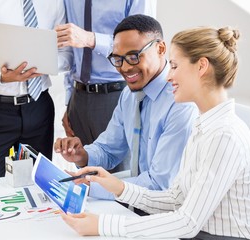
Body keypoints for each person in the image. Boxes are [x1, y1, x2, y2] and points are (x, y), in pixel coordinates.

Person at [58, 26, 250, 239]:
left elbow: (187, 222)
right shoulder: (205, 126)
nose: (169, 76)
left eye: (174, 66)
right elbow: (177, 199)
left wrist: (104, 225)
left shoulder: (224, 135)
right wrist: (117, 187)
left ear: (201, 66)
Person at [54, 15, 198, 200]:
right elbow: (109, 149)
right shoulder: (129, 95)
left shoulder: (181, 101)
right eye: (118, 59)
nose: (125, 68)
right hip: (139, 200)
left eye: (133, 56)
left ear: (160, 49)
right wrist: (82, 155)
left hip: (168, 209)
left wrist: (91, 188)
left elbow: (160, 184)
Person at [0, 0, 71, 180]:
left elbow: (67, 54)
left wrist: (45, 64)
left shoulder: (55, 2)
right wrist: (1, 75)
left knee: (38, 189)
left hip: (39, 107)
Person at [55, 1, 157, 153]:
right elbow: (71, 50)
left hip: (117, 96)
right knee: (84, 173)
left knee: (120, 173)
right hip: (79, 101)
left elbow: (143, 45)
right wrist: (69, 103)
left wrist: (91, 39)